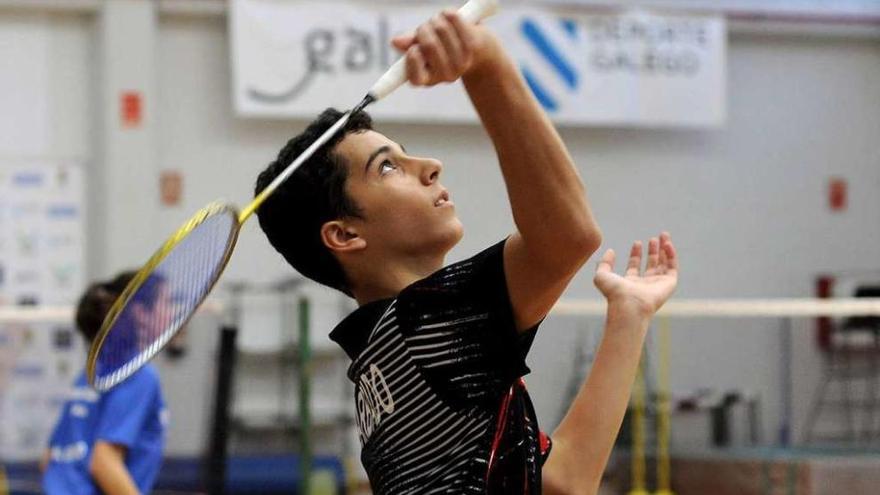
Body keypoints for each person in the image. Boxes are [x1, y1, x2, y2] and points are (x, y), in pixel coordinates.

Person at [255, 10, 678, 495]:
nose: (431, 166)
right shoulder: (423, 325)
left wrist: (629, 314)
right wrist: (486, 64)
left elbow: (562, 483)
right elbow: (567, 237)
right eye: (388, 167)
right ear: (345, 235)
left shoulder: (379, 376)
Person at [42, 272, 168, 495]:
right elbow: (104, 463)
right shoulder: (140, 376)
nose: (173, 312)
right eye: (166, 303)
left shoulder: (90, 374)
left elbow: (49, 458)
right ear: (140, 313)